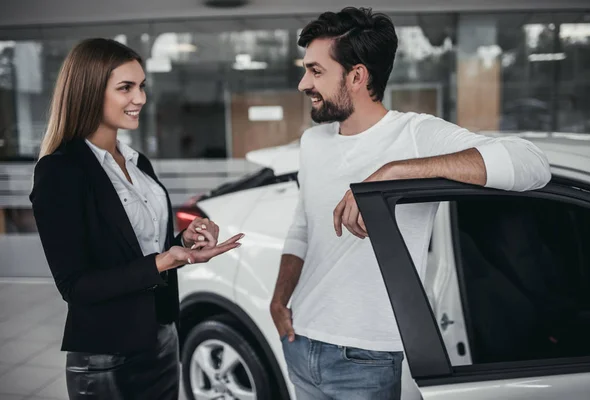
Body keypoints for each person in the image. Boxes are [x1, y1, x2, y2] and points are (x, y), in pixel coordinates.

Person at [270, 7, 552, 400]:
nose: (303, 83)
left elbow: (532, 165)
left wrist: (396, 171)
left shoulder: (415, 134)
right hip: (300, 339)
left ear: (356, 76)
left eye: (316, 71)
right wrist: (280, 299)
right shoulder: (312, 142)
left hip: (367, 355)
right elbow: (303, 225)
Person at [29, 38, 244, 400]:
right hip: (107, 358)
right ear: (89, 91)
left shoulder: (138, 162)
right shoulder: (60, 171)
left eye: (141, 86)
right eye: (125, 87)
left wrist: (182, 243)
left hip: (162, 340)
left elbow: (145, 250)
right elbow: (75, 286)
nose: (140, 98)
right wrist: (164, 260)